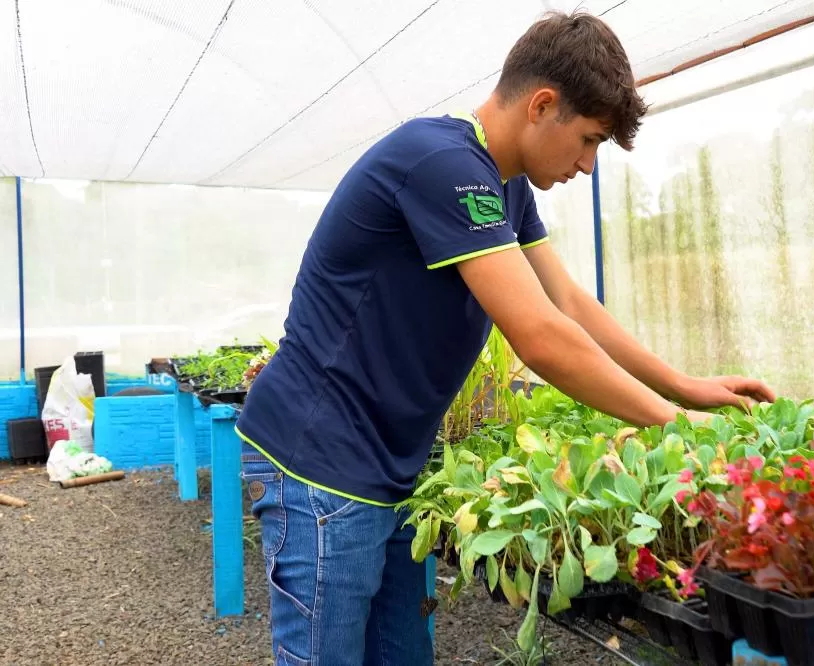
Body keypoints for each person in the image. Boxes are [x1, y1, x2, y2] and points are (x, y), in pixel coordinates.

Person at [235, 10, 775, 666]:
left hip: (386, 467)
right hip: (317, 461)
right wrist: (678, 427)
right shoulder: (438, 162)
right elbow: (540, 338)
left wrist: (687, 389)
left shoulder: (505, 187)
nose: (586, 163)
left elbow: (568, 303)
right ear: (543, 105)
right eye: (588, 139)